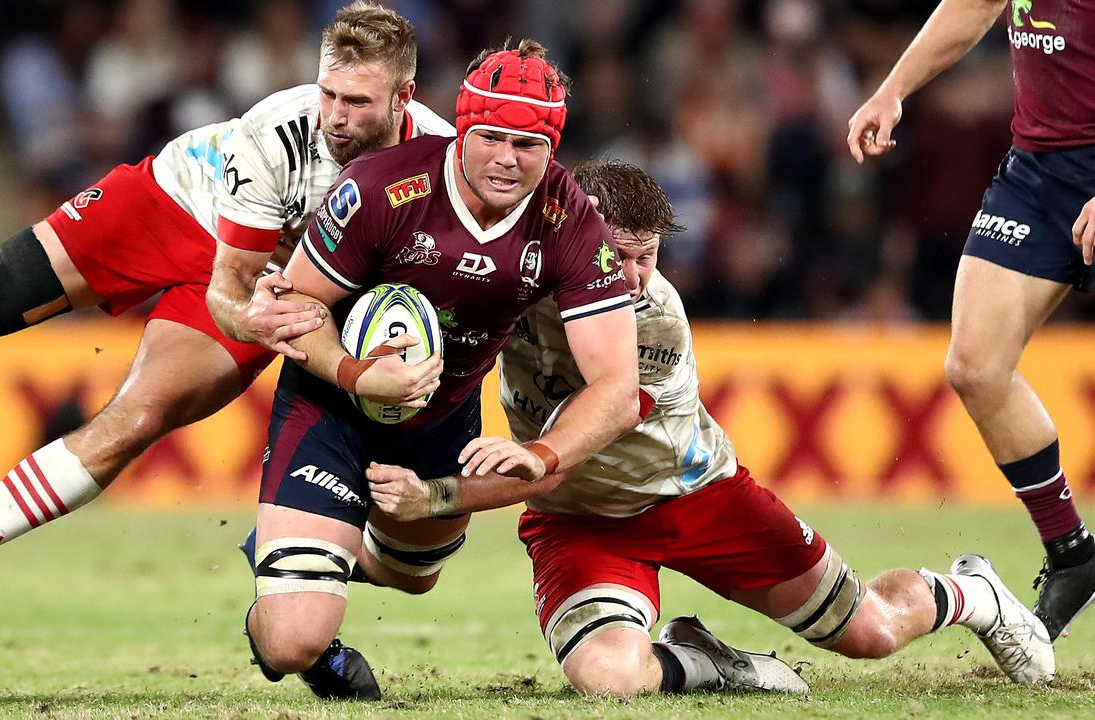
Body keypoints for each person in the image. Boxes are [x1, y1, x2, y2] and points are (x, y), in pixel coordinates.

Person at [0, 2, 453, 620]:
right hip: (176, 204)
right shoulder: (275, 134)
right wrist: (258, 323)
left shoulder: (439, 163)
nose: (335, 118)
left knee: (137, 417)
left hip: (281, 276)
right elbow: (227, 293)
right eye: (328, 95)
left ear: (404, 98)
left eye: (358, 103)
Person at [364, 159, 1056, 697]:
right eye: (620, 255)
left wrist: (441, 497)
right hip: (580, 522)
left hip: (698, 498)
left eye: (649, 256)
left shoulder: (654, 317)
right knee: (608, 678)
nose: (634, 278)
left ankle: (973, 593)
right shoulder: (515, 280)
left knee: (870, 633)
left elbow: (566, 454)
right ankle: (710, 663)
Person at [240, 40, 651, 701]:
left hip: (443, 418)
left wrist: (542, 456)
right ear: (462, 127)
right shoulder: (380, 188)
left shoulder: (569, 220)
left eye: (528, 145)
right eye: (490, 137)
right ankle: (297, 592)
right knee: (294, 640)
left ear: (553, 149)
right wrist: (354, 373)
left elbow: (617, 387)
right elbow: (295, 310)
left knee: (413, 575)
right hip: (332, 407)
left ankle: (307, 552)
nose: (507, 160)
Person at [846, 0, 1095, 642]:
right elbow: (975, 5)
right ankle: (1073, 552)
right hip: (1039, 173)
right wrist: (893, 90)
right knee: (976, 366)